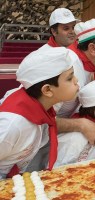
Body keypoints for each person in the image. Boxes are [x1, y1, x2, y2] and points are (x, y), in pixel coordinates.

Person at [0, 48, 79, 179]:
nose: (76, 80)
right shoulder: (13, 125)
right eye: (70, 78)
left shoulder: (43, 108)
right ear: (47, 90)